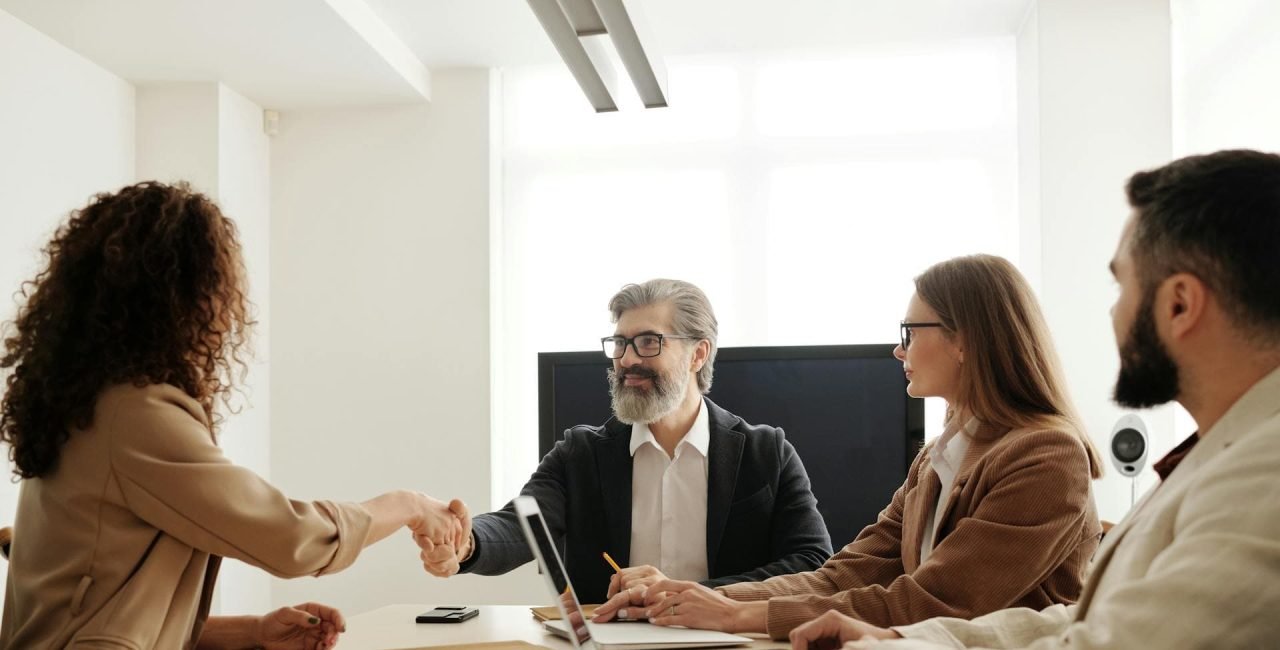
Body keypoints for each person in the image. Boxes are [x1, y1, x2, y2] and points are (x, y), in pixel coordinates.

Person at [785, 149, 1280, 649]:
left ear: (1179, 304)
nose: (1113, 313)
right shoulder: (1224, 455)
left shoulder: (1264, 476)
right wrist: (900, 638)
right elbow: (1081, 621)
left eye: (1121, 284)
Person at [0, 182, 468, 649]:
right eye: (219, 287)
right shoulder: (134, 415)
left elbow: (107, 610)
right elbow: (291, 537)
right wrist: (408, 505)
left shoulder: (83, 403)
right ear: (184, 295)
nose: (227, 310)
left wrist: (252, 632)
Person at [594, 256, 1103, 639]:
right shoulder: (936, 458)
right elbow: (846, 573)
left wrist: (739, 614)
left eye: (910, 331)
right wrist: (702, 598)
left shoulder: (1046, 457)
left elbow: (937, 602)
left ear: (965, 340)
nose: (899, 348)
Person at [420, 279, 832, 603]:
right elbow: (521, 526)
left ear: (698, 354)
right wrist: (466, 542)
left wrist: (693, 594)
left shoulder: (767, 453)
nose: (627, 359)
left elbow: (812, 563)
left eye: (648, 342)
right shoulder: (579, 454)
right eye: (620, 343)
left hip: (728, 637)